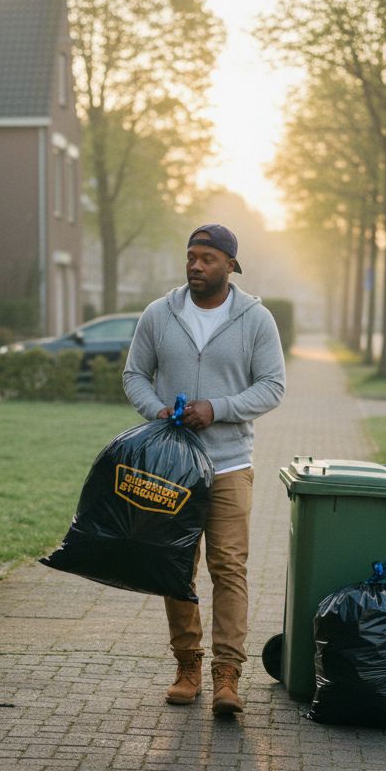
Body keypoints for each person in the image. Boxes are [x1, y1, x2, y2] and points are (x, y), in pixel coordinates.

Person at [123, 224, 286, 715]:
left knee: (229, 568)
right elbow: (134, 374)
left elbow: (272, 386)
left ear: (230, 266)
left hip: (230, 464)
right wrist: (155, 411)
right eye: (191, 256)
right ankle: (187, 666)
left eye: (207, 258)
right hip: (172, 468)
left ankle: (228, 677)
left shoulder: (256, 319)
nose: (195, 265)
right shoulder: (159, 313)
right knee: (176, 567)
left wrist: (217, 408)